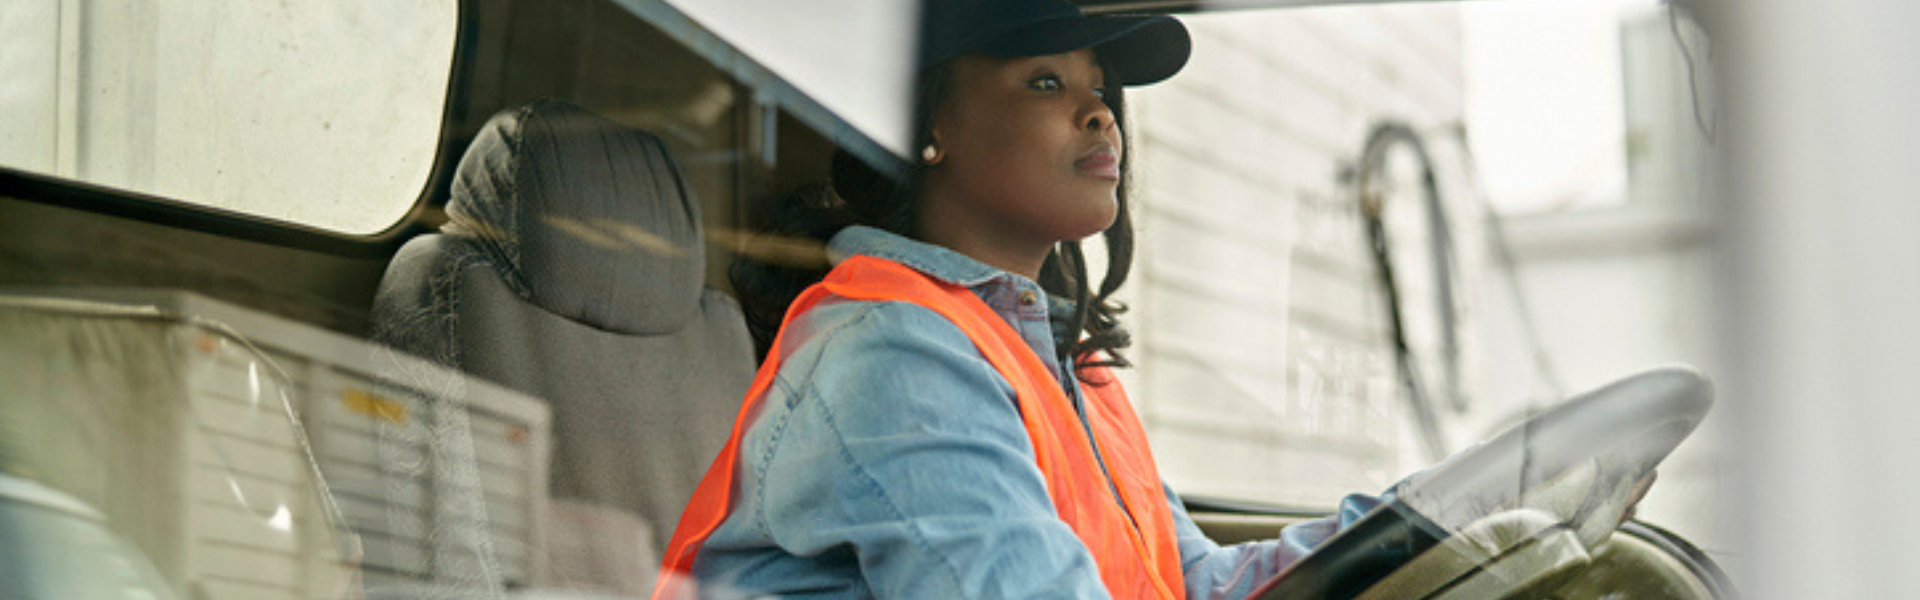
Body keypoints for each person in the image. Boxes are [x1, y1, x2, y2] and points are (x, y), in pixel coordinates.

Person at [649, 2, 1385, 598]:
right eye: (1044, 81)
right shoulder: (894, 353)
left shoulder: (1069, 372)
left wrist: (1431, 517)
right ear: (931, 125)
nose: (1100, 113)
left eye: (1098, 85)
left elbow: (1185, 582)